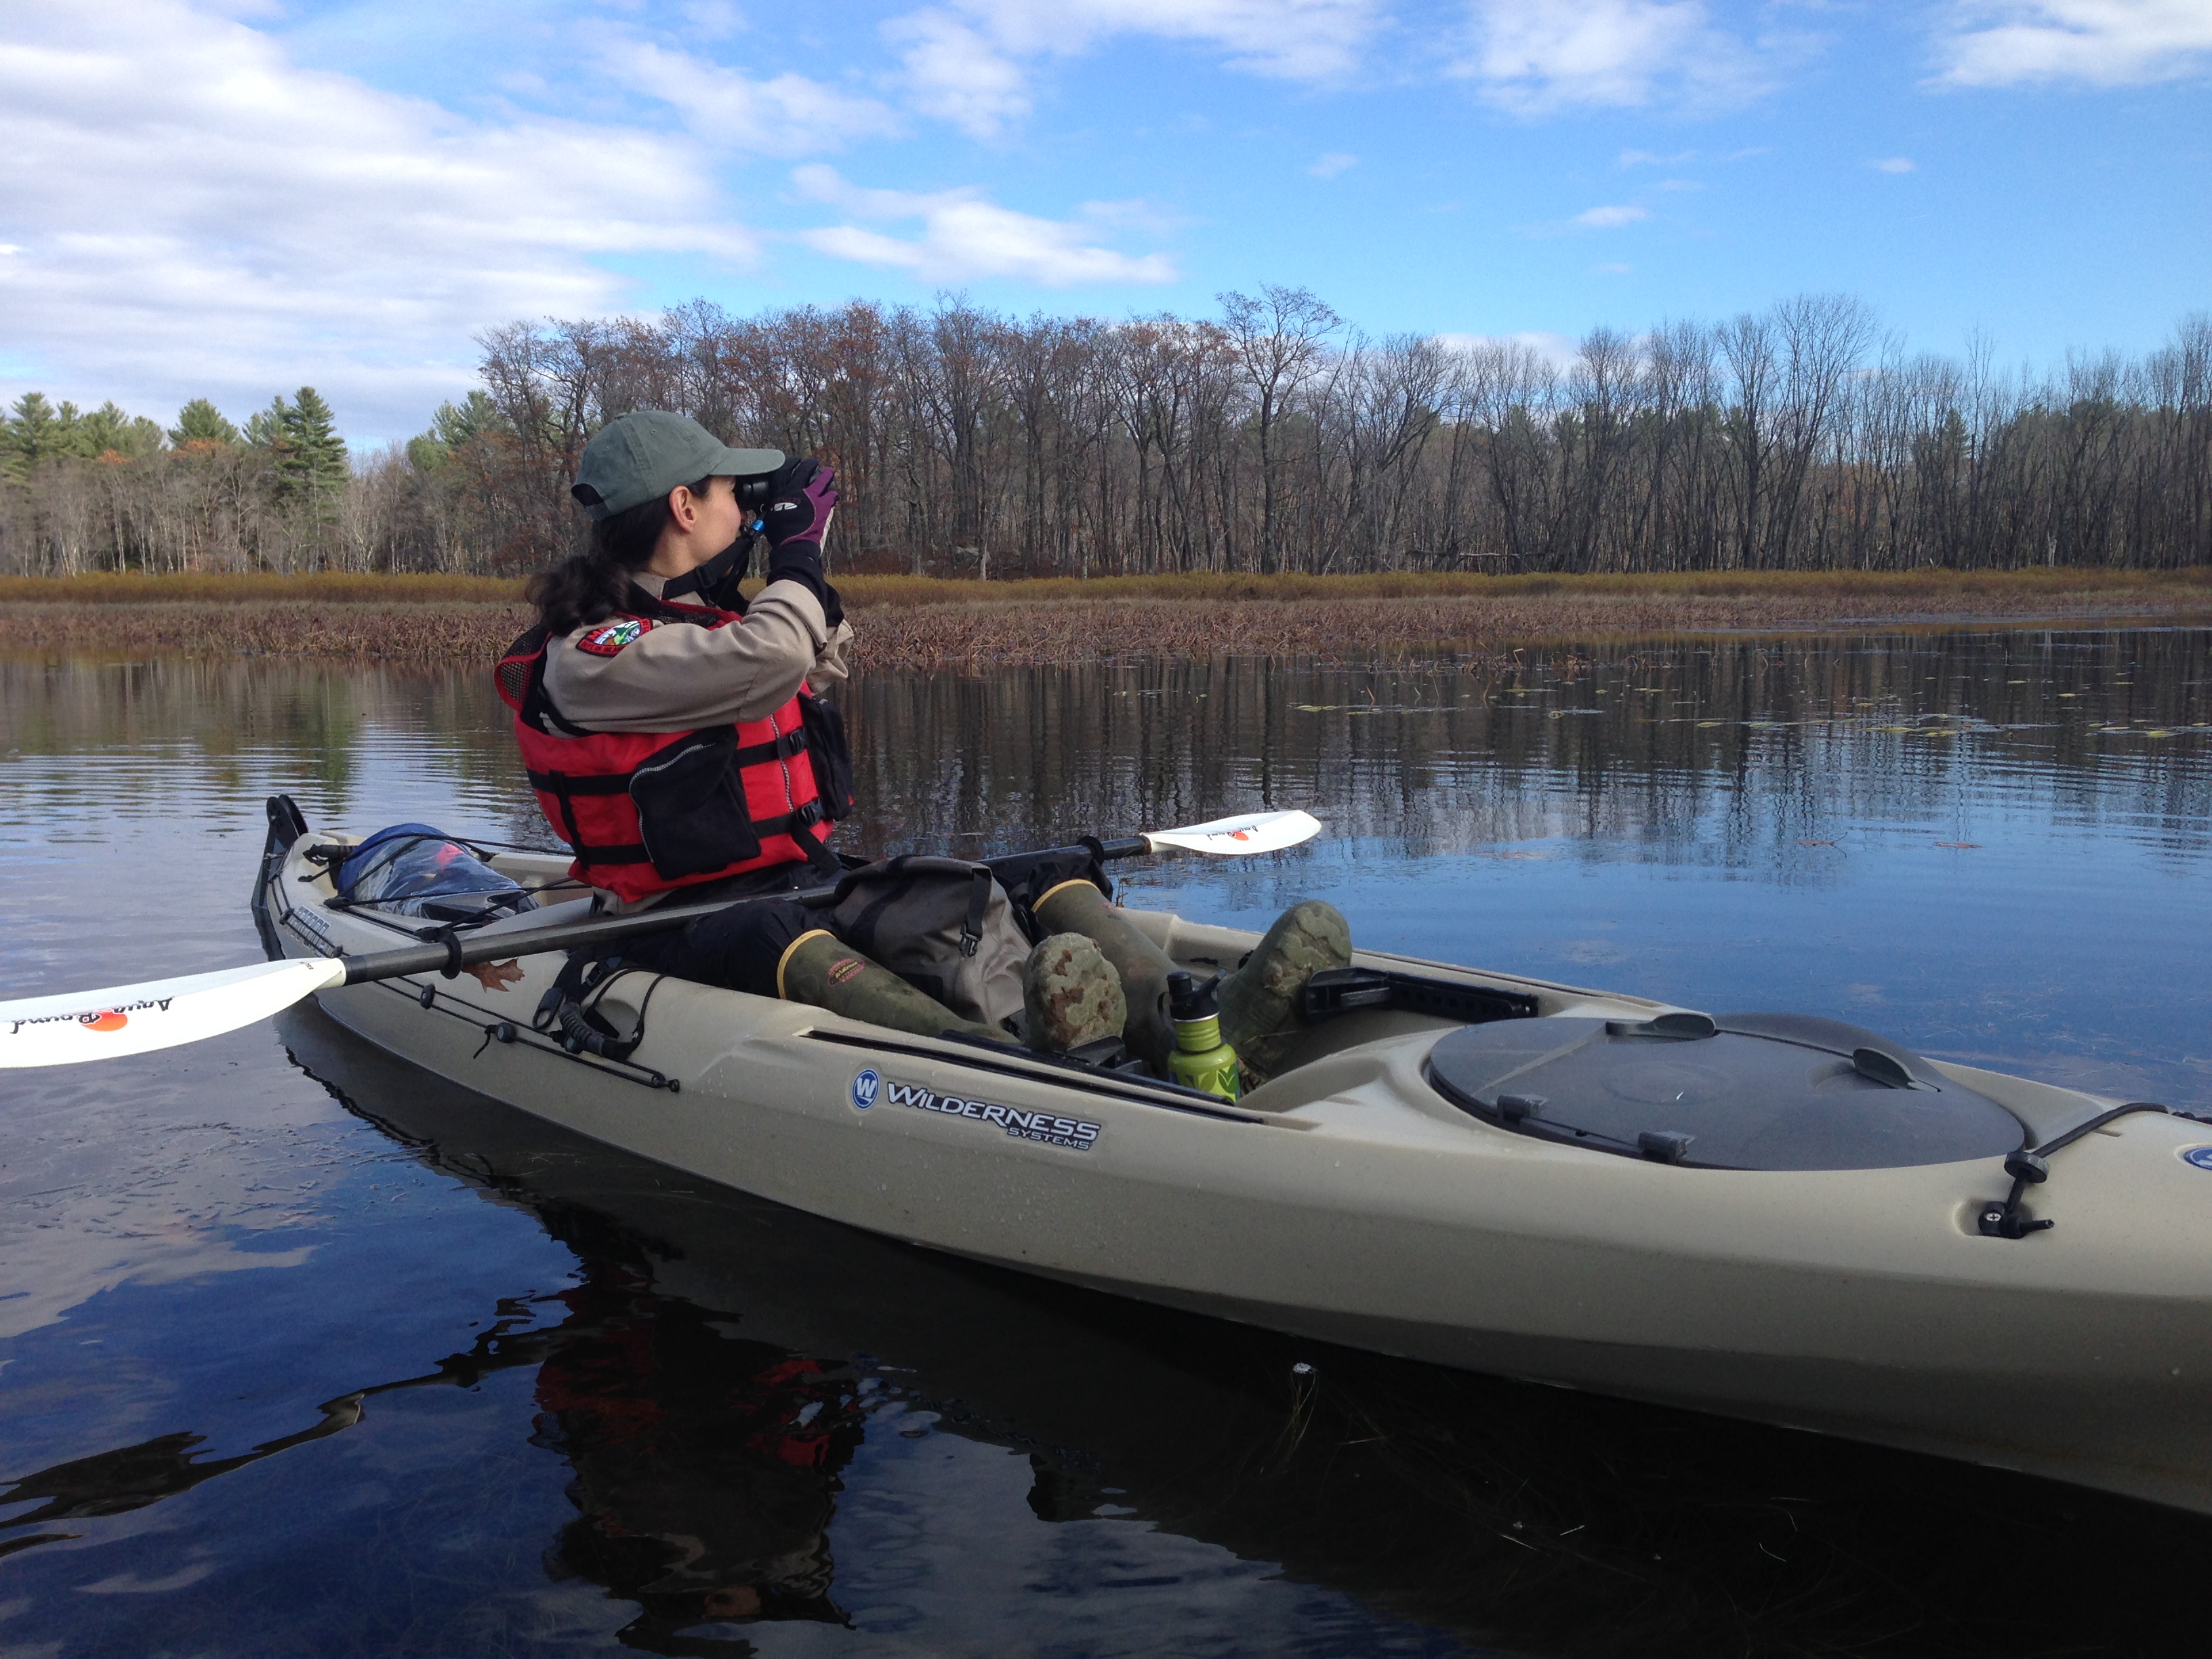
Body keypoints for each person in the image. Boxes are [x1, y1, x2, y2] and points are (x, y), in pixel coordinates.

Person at [496, 409, 1351, 1078]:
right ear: (684, 506)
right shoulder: (591, 654)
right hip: (680, 919)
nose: (745, 507)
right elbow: (775, 655)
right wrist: (794, 544)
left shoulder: (705, 628)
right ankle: (1012, 1070)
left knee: (1033, 872)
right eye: (731, 492)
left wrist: (788, 572)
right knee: (770, 932)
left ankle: (1192, 1029)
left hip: (801, 881)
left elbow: (805, 669)